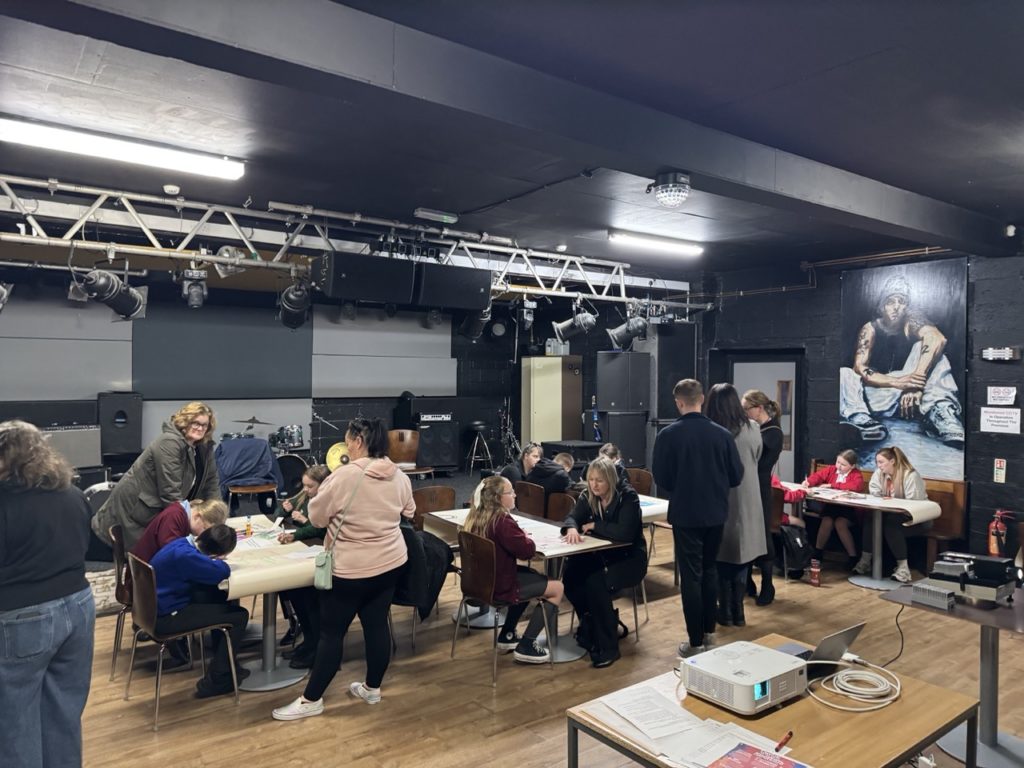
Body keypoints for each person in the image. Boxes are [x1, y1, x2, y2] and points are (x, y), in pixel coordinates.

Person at [273, 417, 414, 721]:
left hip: (351, 570)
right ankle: (372, 689)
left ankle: (311, 700)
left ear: (358, 441)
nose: (346, 444)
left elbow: (318, 518)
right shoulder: (399, 474)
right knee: (376, 626)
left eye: (348, 439)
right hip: (391, 563)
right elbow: (409, 511)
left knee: (332, 634)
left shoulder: (344, 476)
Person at [0, 420, 94, 768]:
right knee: (64, 712)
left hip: (22, 618)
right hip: (79, 608)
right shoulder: (72, 493)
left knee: (14, 723)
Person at [652, 380, 744, 658]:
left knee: (691, 576)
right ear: (702, 399)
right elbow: (736, 476)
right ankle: (710, 634)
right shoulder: (722, 435)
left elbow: (661, 478)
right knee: (710, 570)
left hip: (685, 513)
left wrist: (683, 486)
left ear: (678, 402)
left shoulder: (667, 435)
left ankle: (695, 641)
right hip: (715, 512)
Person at [840, 274, 964, 445]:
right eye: (890, 301)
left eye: (902, 301)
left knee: (931, 352)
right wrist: (898, 382)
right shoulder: (870, 328)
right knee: (845, 373)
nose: (896, 307)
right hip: (877, 395)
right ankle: (860, 418)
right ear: (881, 306)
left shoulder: (912, 322)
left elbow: (937, 338)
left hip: (916, 394)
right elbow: (860, 368)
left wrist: (915, 383)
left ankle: (942, 413)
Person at [92, 401, 220, 551]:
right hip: (135, 514)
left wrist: (217, 517)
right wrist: (189, 526)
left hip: (158, 513)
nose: (200, 428)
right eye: (196, 423)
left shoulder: (203, 448)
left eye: (204, 425)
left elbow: (211, 482)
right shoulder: (169, 442)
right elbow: (170, 493)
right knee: (142, 557)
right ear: (185, 421)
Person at [464, 476, 564, 664]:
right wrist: (525, 537)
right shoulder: (502, 521)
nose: (515, 495)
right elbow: (527, 552)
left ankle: (508, 634)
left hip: (481, 583)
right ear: (498, 498)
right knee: (557, 588)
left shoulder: (476, 516)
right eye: (510, 492)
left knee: (532, 576)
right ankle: (527, 644)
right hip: (500, 586)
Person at [561, 457, 647, 668]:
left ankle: (609, 647)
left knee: (595, 582)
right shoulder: (588, 495)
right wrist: (571, 527)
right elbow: (572, 517)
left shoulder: (628, 497)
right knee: (571, 577)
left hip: (629, 560)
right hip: (602, 555)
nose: (594, 485)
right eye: (591, 479)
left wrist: (595, 525)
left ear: (610, 479)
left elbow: (624, 533)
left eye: (599, 480)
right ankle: (592, 626)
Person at [149, 524, 250, 698]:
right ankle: (218, 679)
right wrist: (219, 561)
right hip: (166, 616)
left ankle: (226, 664)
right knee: (239, 616)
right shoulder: (187, 557)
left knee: (217, 596)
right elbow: (221, 571)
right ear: (217, 553)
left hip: (155, 608)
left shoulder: (181, 544)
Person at [706, 384, 765, 628]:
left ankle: (725, 610)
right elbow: (757, 456)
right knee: (743, 554)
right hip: (748, 495)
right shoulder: (753, 428)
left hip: (719, 494)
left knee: (720, 554)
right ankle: (738, 610)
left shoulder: (711, 431)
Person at [274, 465, 331, 669]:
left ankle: (315, 646)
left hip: (323, 557)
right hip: (306, 551)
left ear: (323, 485)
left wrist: (300, 527)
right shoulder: (303, 497)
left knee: (308, 597)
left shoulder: (327, 501)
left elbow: (320, 530)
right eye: (304, 485)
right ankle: (308, 640)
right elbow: (278, 515)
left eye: (310, 486)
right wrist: (284, 510)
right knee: (292, 590)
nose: (305, 489)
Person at [853, 446, 929, 583]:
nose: (879, 465)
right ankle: (865, 561)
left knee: (891, 525)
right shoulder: (879, 473)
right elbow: (874, 492)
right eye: (877, 462)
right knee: (870, 519)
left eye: (881, 462)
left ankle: (903, 569)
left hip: (916, 518)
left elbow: (915, 504)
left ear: (892, 461)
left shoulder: (910, 475)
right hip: (888, 513)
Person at [741, 390, 784, 605]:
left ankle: (768, 584)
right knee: (746, 534)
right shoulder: (753, 428)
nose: (744, 413)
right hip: (747, 486)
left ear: (758, 408)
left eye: (746, 409)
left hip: (760, 488)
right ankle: (747, 580)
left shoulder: (773, 432)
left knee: (763, 536)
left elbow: (758, 462)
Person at [803, 449, 865, 569]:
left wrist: (832, 485)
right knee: (827, 520)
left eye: (843, 465)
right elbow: (818, 476)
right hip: (831, 506)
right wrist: (808, 482)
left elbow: (855, 486)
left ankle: (852, 556)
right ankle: (818, 552)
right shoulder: (831, 469)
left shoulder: (856, 474)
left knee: (840, 523)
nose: (839, 466)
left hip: (848, 509)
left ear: (852, 466)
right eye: (838, 462)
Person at [131, 498, 230, 564]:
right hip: (144, 580)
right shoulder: (174, 516)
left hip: (150, 572)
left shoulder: (181, 515)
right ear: (197, 516)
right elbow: (175, 555)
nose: (204, 535)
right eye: (204, 529)